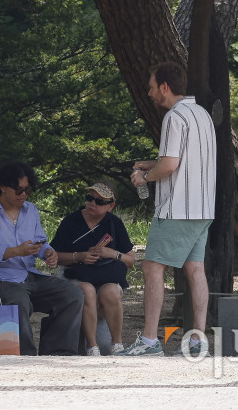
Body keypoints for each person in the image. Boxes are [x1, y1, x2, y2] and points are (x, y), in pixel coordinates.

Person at [119, 62, 216, 358]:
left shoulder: (174, 117)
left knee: (152, 266)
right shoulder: (202, 114)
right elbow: (182, 160)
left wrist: (145, 177)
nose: (149, 93)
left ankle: (149, 341)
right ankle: (198, 342)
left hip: (177, 208)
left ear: (164, 86)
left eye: (151, 87)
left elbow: (171, 165)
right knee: (195, 270)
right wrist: (152, 164)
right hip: (203, 207)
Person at [0, 161, 85, 355]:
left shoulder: (31, 210)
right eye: (19, 190)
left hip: (30, 275)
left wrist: (48, 253)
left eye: (28, 190)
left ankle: (58, 352)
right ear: (3, 187)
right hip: (0, 279)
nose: (24, 194)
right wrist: (16, 251)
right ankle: (25, 356)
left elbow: (40, 241)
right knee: (18, 300)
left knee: (72, 294)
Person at [51, 181, 135, 356]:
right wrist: (78, 256)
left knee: (111, 291)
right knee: (87, 290)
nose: (92, 203)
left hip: (105, 276)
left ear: (111, 206)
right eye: (89, 198)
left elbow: (130, 260)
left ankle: (117, 344)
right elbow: (54, 256)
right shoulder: (71, 221)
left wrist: (112, 253)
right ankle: (92, 346)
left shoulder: (115, 223)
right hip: (75, 274)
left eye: (100, 201)